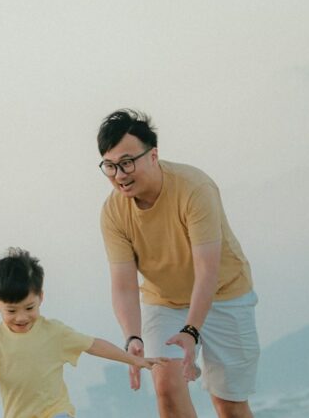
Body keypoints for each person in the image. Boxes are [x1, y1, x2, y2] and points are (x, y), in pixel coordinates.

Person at [97, 109, 260, 418]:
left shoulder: (193, 188)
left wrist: (191, 329)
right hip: (165, 300)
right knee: (166, 388)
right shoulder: (113, 212)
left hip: (226, 293)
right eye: (110, 166)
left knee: (229, 405)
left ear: (153, 155)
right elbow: (123, 284)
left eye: (127, 162)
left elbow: (207, 270)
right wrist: (133, 337)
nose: (119, 175)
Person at [0, 248, 164, 418]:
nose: (21, 317)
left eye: (29, 308)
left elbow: (93, 345)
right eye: (12, 311)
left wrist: (133, 360)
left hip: (57, 412)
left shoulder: (54, 331)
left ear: (41, 298)